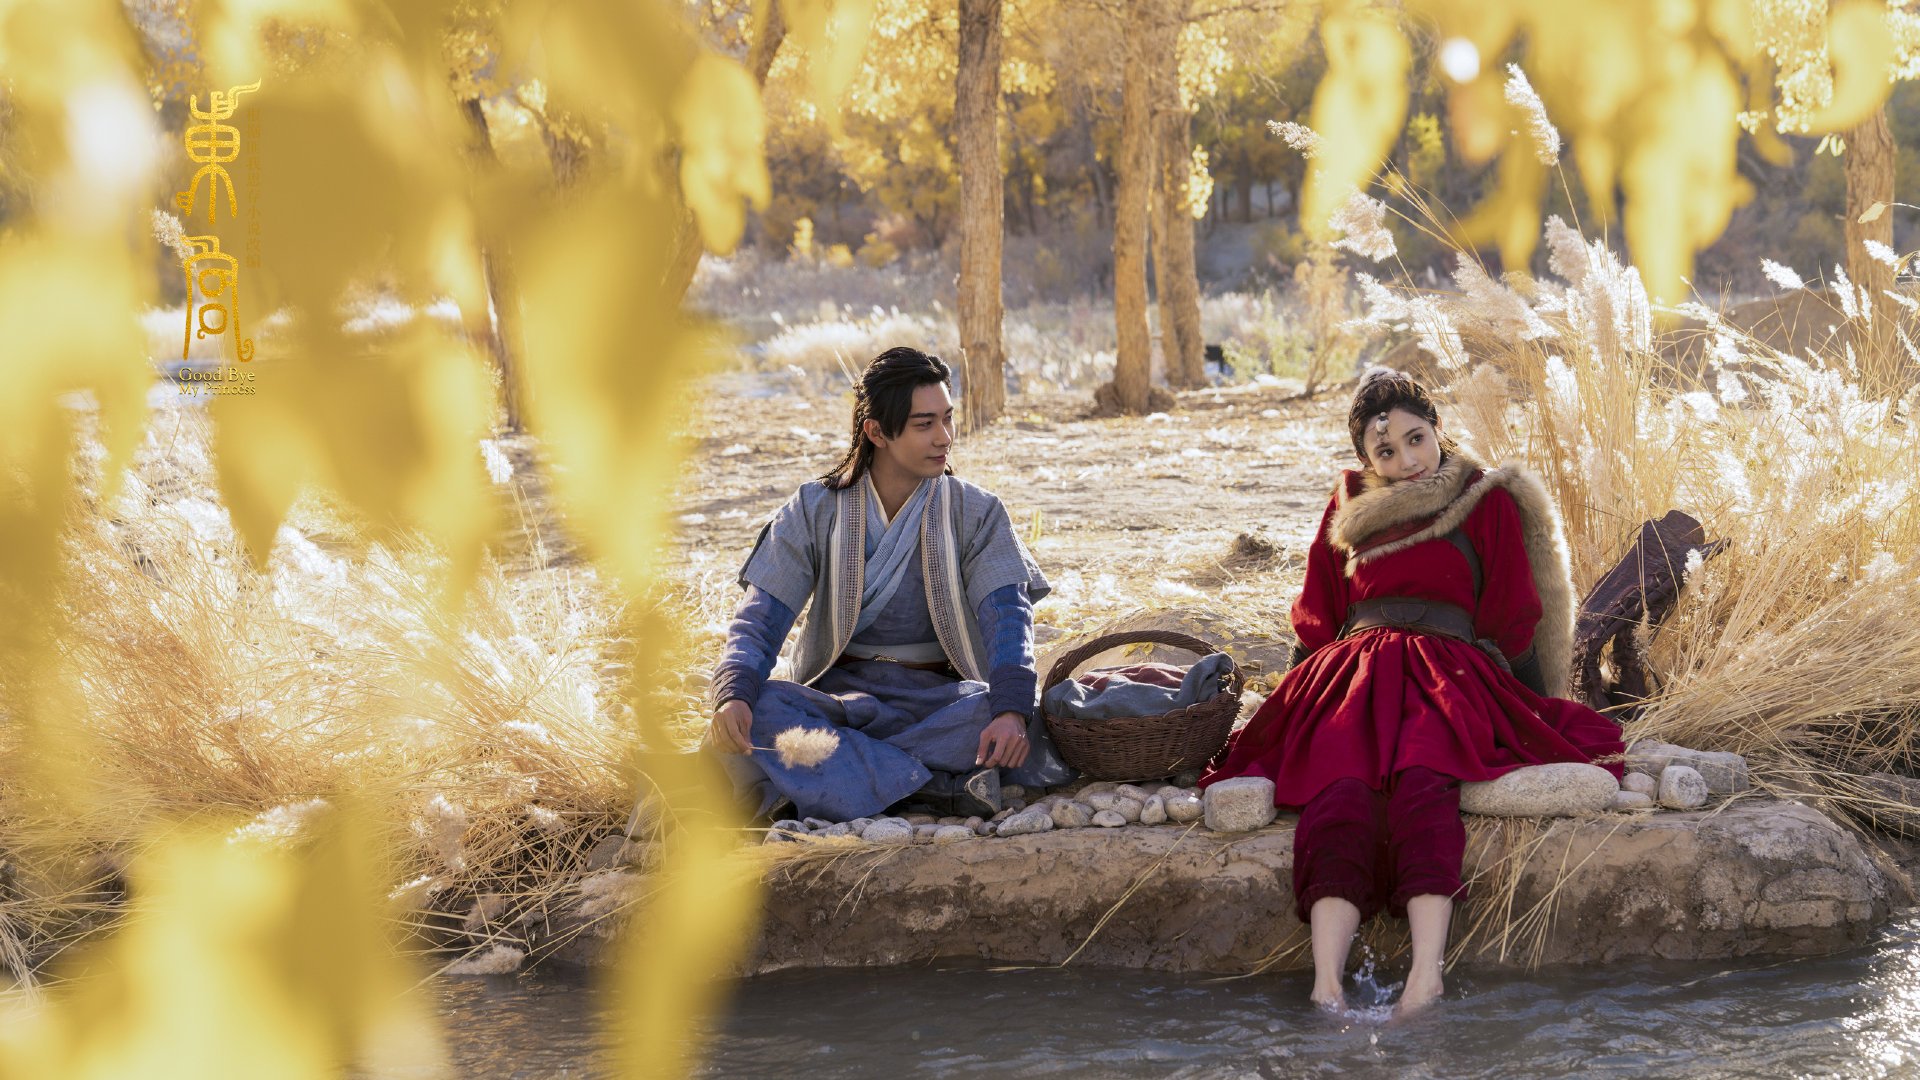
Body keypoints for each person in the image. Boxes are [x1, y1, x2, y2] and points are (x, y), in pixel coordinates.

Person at [1201, 367, 1624, 1017]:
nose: (1406, 461)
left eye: (1415, 439)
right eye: (1386, 451)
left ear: (1438, 430)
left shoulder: (1483, 498)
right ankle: (1327, 985)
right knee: (1338, 790)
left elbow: (1513, 609)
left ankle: (1426, 977)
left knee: (1425, 783)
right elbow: (1319, 608)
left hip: (1447, 672)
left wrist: (1530, 705)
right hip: (1357, 671)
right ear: (1366, 460)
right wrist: (1292, 695)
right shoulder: (1347, 503)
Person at [707, 346, 1074, 823]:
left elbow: (1008, 618)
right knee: (768, 705)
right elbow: (761, 616)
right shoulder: (814, 509)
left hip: (941, 700)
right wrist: (733, 692)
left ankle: (842, 776)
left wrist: (1008, 711)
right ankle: (936, 786)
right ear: (876, 431)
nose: (944, 437)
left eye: (948, 418)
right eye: (924, 424)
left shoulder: (976, 512)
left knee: (1006, 713)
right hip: (842, 699)